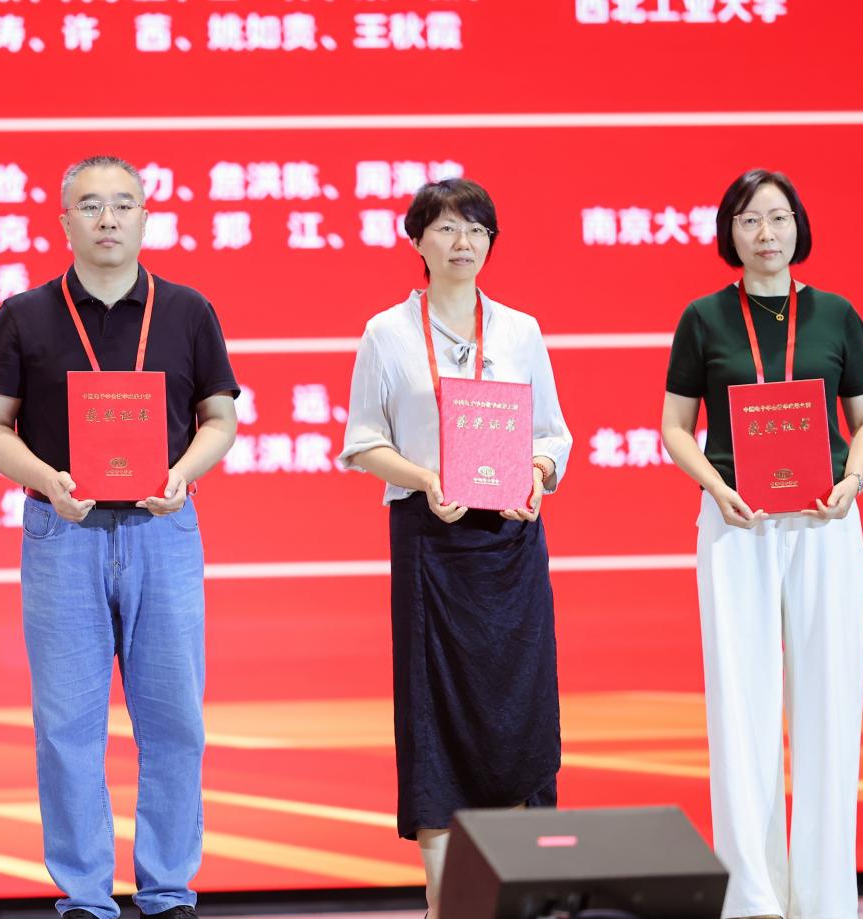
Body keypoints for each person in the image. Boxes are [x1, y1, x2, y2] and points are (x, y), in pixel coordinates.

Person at [0, 155, 238, 919]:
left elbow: (220, 417)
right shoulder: (24, 314)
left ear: (145, 216)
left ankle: (168, 889)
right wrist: (48, 479)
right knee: (67, 726)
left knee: (175, 719)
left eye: (123, 204)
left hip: (163, 528)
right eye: (90, 205)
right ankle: (85, 896)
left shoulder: (187, 310)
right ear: (64, 221)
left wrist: (183, 472)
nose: (108, 218)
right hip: (63, 531)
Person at [338, 177, 572, 918]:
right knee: (434, 718)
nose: (462, 242)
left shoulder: (520, 331)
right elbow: (362, 441)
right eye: (444, 228)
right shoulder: (386, 333)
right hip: (430, 544)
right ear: (417, 241)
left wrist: (537, 473)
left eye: (475, 229)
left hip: (510, 543)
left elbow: (553, 435)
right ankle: (448, 902)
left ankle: (520, 893)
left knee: (520, 710)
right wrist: (423, 476)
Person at [661, 169, 863, 919]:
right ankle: (752, 896)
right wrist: (713, 486)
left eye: (778, 217)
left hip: (825, 522)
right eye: (750, 219)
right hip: (736, 523)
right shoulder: (702, 318)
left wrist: (852, 478)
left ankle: (825, 896)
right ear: (730, 231)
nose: (766, 233)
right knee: (740, 703)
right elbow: (674, 426)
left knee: (829, 702)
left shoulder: (836, 314)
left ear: (798, 226)